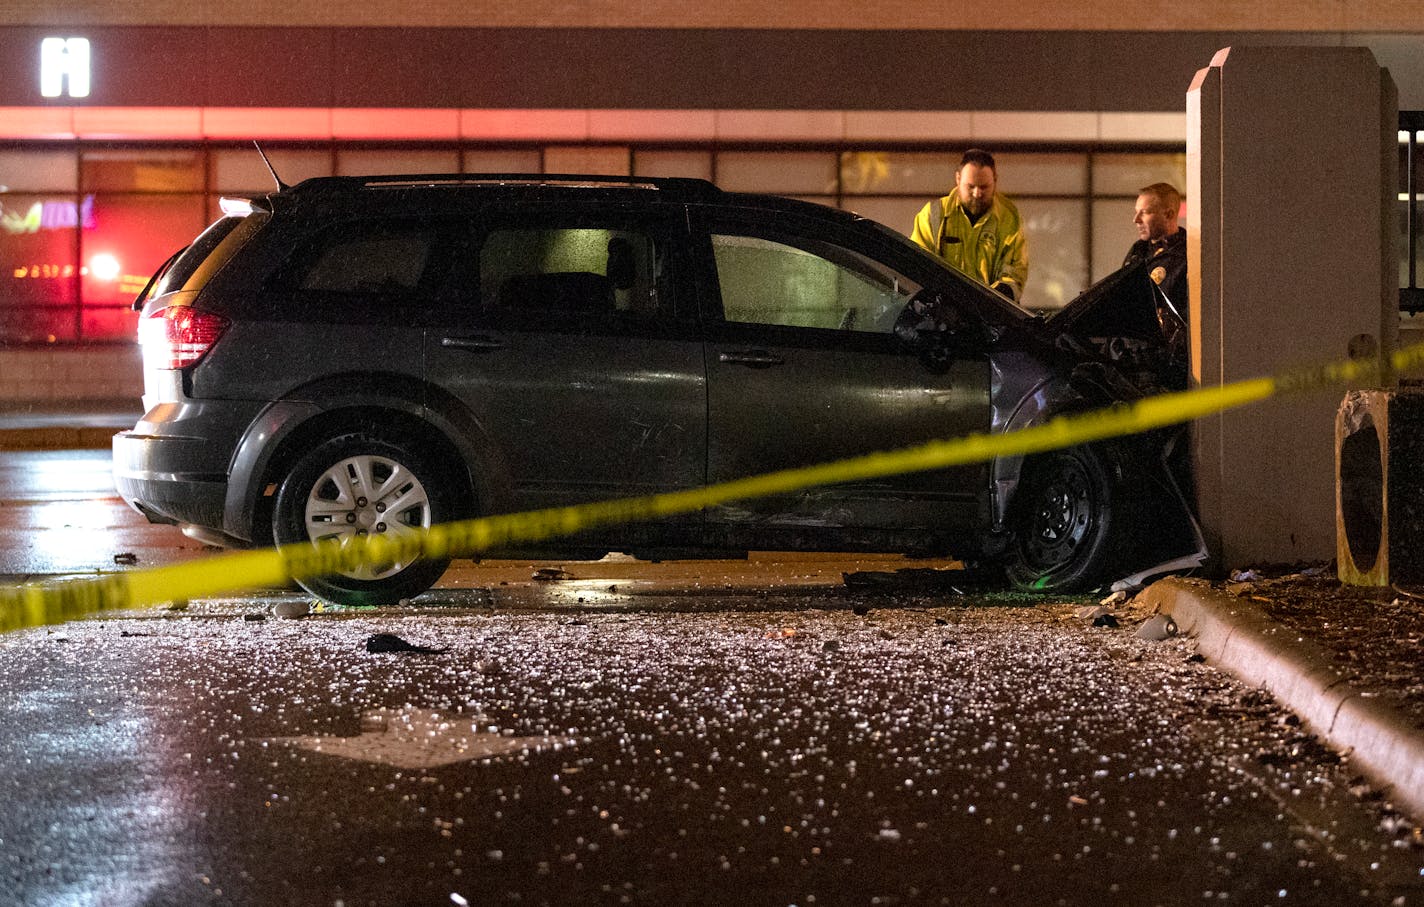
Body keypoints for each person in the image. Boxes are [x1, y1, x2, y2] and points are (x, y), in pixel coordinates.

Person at [910, 149, 1028, 302]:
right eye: (970, 186)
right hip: (941, 316)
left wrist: (999, 296)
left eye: (984, 187)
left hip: (990, 316)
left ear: (995, 181)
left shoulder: (1009, 218)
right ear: (958, 179)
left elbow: (1015, 270)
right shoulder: (932, 215)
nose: (977, 193)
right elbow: (918, 264)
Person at [1123, 182, 1187, 313]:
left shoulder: (1187, 254)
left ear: (1168, 214)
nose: (1136, 220)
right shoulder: (1138, 251)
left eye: (1144, 213)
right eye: (1136, 212)